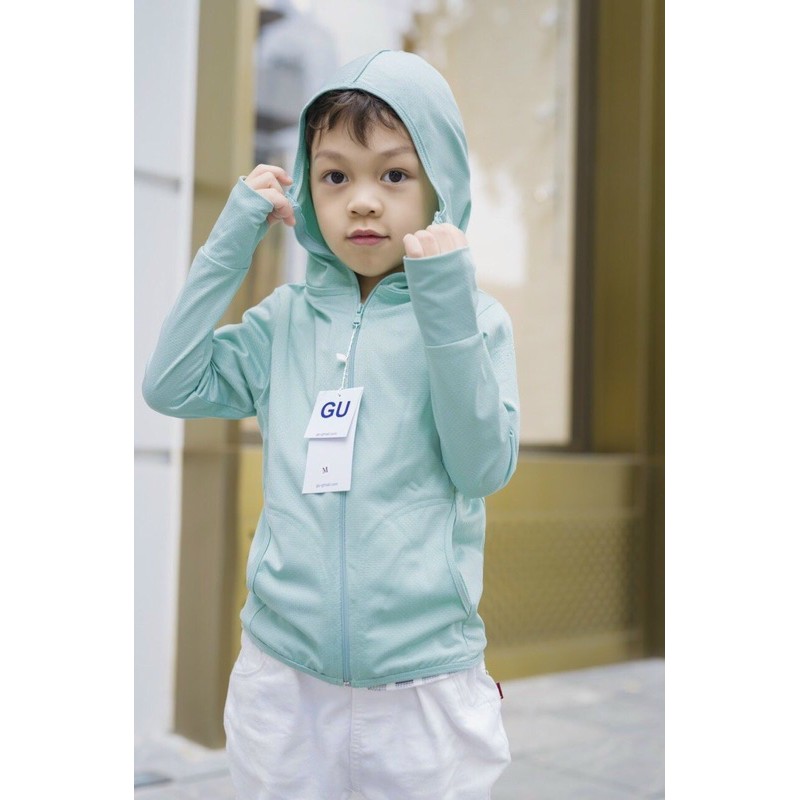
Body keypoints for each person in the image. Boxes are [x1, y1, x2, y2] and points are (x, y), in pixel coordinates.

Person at [143, 49, 519, 800]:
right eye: (335, 177)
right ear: (307, 189)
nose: (363, 202)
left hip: (423, 687)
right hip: (283, 684)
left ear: (441, 184)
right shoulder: (283, 323)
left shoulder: (474, 321)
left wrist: (446, 305)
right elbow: (170, 382)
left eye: (395, 174)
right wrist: (233, 239)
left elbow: (482, 468)